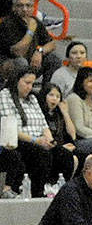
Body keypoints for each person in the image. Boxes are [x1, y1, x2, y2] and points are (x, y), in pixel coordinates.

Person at [0, 62, 74, 196]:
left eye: (32, 84)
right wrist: (36, 140)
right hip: (18, 141)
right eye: (27, 83)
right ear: (16, 80)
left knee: (65, 155)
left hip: (39, 140)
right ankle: (37, 192)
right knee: (41, 153)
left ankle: (57, 189)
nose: (30, 87)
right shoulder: (5, 95)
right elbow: (10, 127)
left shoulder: (33, 98)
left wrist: (50, 141)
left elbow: (43, 124)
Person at [0, 0, 56, 85]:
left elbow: (52, 44)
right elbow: (19, 52)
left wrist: (40, 51)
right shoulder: (7, 23)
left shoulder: (34, 21)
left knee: (53, 59)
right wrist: (30, 31)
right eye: (20, 6)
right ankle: (15, 91)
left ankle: (46, 90)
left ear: (33, 8)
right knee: (22, 62)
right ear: (14, 8)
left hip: (32, 62)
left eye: (28, 5)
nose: (25, 9)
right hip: (9, 64)